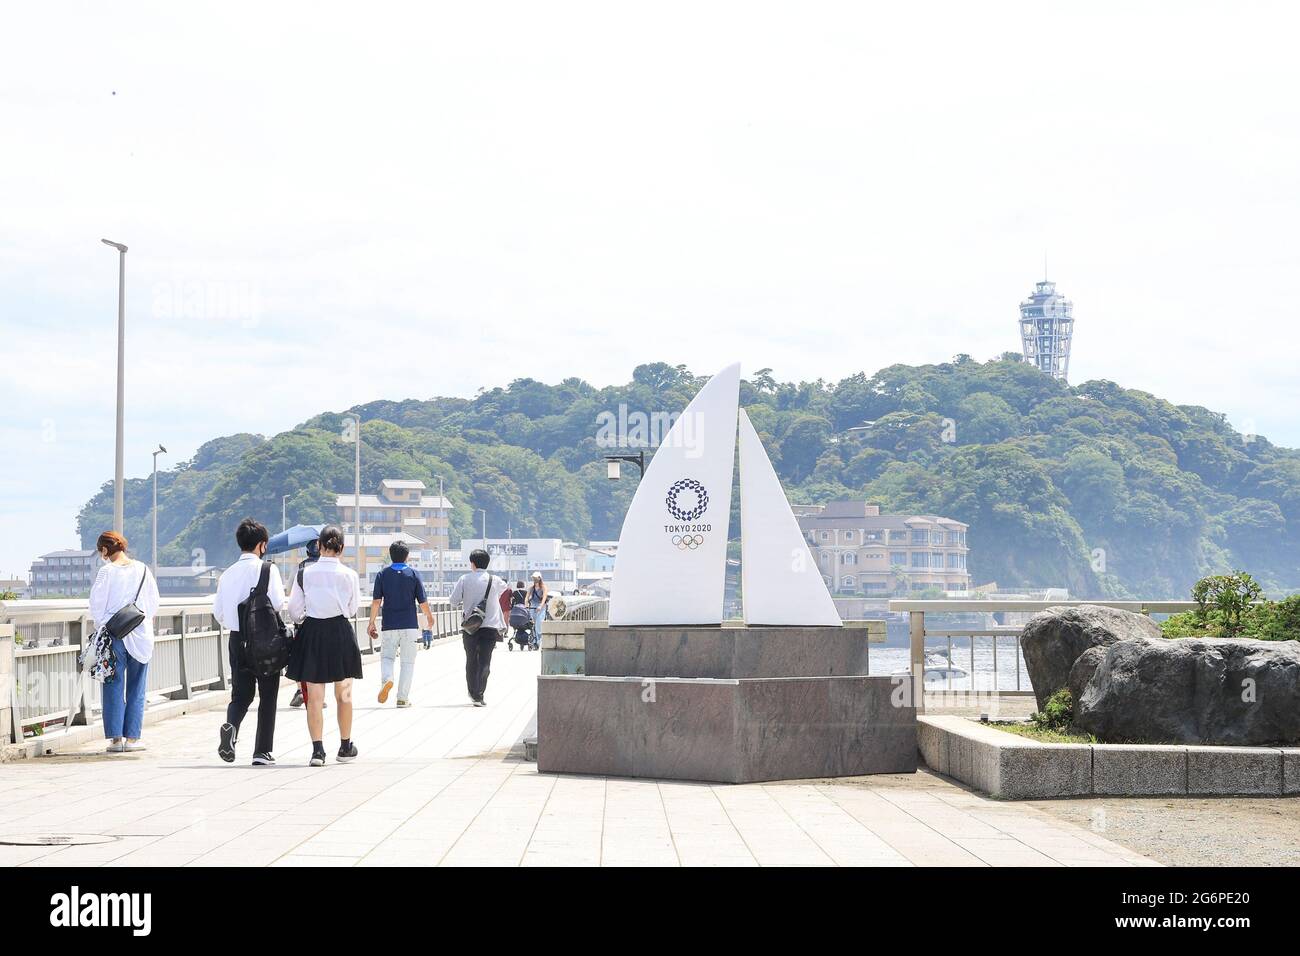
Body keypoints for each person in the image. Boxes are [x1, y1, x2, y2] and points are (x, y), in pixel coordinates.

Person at [287, 525, 363, 766]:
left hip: (313, 633)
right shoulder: (349, 575)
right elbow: (352, 609)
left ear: (319, 546)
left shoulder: (304, 574)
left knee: (315, 698)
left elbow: (294, 611)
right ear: (341, 549)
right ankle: (345, 746)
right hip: (340, 632)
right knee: (344, 694)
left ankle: (318, 751)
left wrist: (307, 618)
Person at [213, 518, 287, 766]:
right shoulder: (268, 570)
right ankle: (262, 752)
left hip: (237, 639)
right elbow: (277, 603)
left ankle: (232, 727)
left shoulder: (227, 574)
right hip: (264, 640)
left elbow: (219, 613)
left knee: (241, 695)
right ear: (262, 545)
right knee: (268, 696)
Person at [88, 531, 160, 753]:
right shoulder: (143, 570)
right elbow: (153, 602)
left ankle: (116, 740)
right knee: (137, 687)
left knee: (113, 685)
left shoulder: (106, 572)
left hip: (114, 635)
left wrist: (103, 626)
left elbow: (96, 606)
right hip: (140, 633)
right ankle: (133, 740)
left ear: (104, 550)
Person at [367, 541, 435, 708]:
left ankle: (387, 679)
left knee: (387, 657)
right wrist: (429, 618)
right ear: (407, 556)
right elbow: (422, 601)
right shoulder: (413, 574)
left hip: (389, 625)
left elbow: (376, 602)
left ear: (391, 555)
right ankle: (402, 698)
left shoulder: (382, 574)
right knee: (407, 662)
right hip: (409, 625)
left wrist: (371, 622)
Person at [450, 548, 508, 707]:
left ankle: (473, 692)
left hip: (470, 627)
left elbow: (453, 601)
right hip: (490, 626)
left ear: (472, 563)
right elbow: (504, 589)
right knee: (485, 660)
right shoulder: (495, 580)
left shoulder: (464, 579)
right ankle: (480, 694)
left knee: (471, 660)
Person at [289, 538, 322, 710]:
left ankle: (300, 690)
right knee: (320, 657)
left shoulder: (299, 569)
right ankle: (318, 693)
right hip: (323, 620)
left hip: (303, 620)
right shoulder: (326, 568)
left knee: (300, 657)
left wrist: (298, 619)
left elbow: (291, 594)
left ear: (307, 552)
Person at [526, 571, 548, 651]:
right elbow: (527, 597)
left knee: (538, 625)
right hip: (533, 606)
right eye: (533, 578)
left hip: (541, 608)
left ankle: (539, 642)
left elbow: (544, 598)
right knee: (532, 626)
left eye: (535, 578)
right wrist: (526, 604)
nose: (534, 579)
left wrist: (540, 606)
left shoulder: (544, 587)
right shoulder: (531, 588)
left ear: (539, 578)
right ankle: (534, 641)